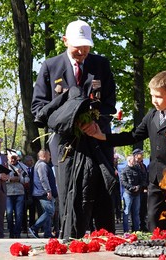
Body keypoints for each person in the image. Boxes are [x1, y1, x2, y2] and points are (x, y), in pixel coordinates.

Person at [32, 19, 118, 237]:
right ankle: (70, 237)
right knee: (71, 193)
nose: (81, 51)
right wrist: (68, 117)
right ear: (64, 41)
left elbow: (109, 102)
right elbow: (38, 107)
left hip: (96, 139)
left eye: (86, 46)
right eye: (77, 46)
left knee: (101, 192)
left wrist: (95, 123)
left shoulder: (101, 65)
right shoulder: (50, 67)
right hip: (65, 145)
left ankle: (105, 238)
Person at [91, 70, 166, 231]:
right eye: (152, 95)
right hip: (154, 178)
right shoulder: (152, 115)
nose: (154, 100)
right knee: (152, 220)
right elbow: (133, 135)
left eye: (158, 96)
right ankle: (156, 253)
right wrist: (103, 136)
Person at [29, 149, 57, 238]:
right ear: (44, 156)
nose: (50, 157)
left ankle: (47, 233)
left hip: (42, 192)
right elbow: (43, 179)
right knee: (50, 211)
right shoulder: (42, 165)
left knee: (47, 212)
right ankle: (34, 227)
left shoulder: (40, 164)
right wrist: (48, 191)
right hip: (43, 192)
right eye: (49, 155)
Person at [119, 154, 147, 232]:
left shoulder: (137, 170)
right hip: (128, 194)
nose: (135, 161)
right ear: (129, 161)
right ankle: (126, 231)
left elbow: (142, 180)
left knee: (136, 213)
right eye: (133, 160)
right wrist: (132, 188)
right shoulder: (124, 170)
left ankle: (136, 230)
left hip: (137, 194)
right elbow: (123, 182)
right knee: (126, 213)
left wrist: (139, 187)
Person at [5, 151, 30, 238]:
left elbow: (27, 180)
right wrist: (10, 179)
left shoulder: (22, 166)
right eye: (11, 158)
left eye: (14, 158)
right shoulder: (4, 166)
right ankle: (11, 231)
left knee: (19, 214)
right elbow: (1, 179)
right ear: (8, 157)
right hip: (8, 193)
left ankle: (17, 232)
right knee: (9, 213)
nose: (12, 159)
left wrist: (19, 178)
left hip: (20, 193)